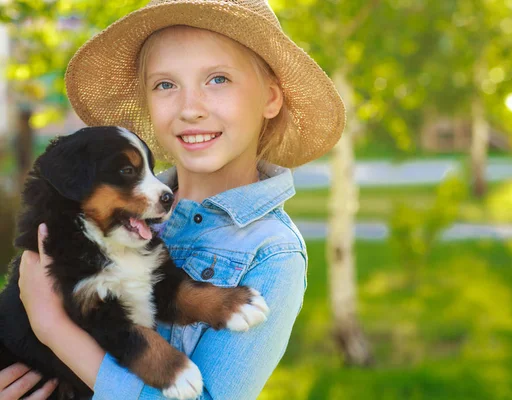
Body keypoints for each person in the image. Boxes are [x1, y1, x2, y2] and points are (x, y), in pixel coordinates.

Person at [0, 0, 345, 398]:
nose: (190, 108)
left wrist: (52, 327)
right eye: (166, 85)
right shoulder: (102, 209)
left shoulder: (271, 255)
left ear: (270, 97)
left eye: (217, 79)